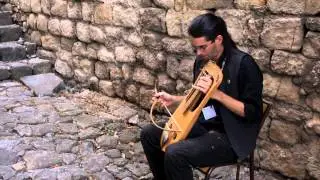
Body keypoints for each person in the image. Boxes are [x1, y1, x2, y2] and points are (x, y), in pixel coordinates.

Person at [140, 12, 263, 180]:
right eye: (195, 48)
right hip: (204, 124)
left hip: (231, 136)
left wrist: (218, 94)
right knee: (149, 134)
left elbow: (253, 113)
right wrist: (173, 100)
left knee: (175, 153)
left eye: (202, 47)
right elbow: (198, 99)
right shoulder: (202, 61)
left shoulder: (244, 64)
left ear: (218, 40)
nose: (198, 53)